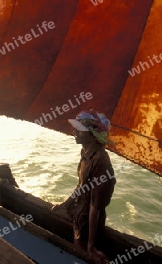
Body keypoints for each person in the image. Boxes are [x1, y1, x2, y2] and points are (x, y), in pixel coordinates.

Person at [52, 110, 116, 264]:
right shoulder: (86, 152)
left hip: (88, 224)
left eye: (79, 129)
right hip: (78, 215)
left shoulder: (101, 161)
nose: (74, 131)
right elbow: (81, 185)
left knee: (83, 255)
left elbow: (96, 207)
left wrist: (91, 247)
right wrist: (65, 205)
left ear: (92, 134)